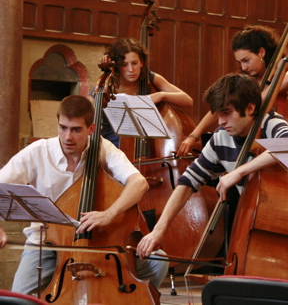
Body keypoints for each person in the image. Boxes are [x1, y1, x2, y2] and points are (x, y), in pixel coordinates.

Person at [137, 73, 288, 284]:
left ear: (249, 108)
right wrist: (159, 230)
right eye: (218, 114)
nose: (220, 122)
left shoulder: (270, 122)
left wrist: (240, 171)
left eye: (227, 113)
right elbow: (186, 183)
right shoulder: (221, 138)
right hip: (250, 228)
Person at [0, 95, 169, 295]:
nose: (67, 137)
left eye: (76, 130)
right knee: (19, 298)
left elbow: (139, 183)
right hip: (46, 242)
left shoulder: (103, 148)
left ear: (91, 129)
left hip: (97, 240)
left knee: (158, 260)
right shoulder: (38, 152)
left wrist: (109, 214)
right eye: (63, 128)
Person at [177, 25, 288, 155]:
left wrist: (256, 98)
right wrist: (194, 135)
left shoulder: (284, 73)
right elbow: (221, 106)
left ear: (261, 52)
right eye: (240, 62)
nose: (244, 67)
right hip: (254, 142)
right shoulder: (249, 80)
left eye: (246, 60)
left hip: (282, 142)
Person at [97, 37, 193, 147]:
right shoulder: (106, 85)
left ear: (142, 62)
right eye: (124, 64)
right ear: (117, 65)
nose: (131, 69)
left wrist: (161, 95)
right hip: (113, 146)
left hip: (146, 146)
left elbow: (188, 100)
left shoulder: (150, 78)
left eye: (134, 63)